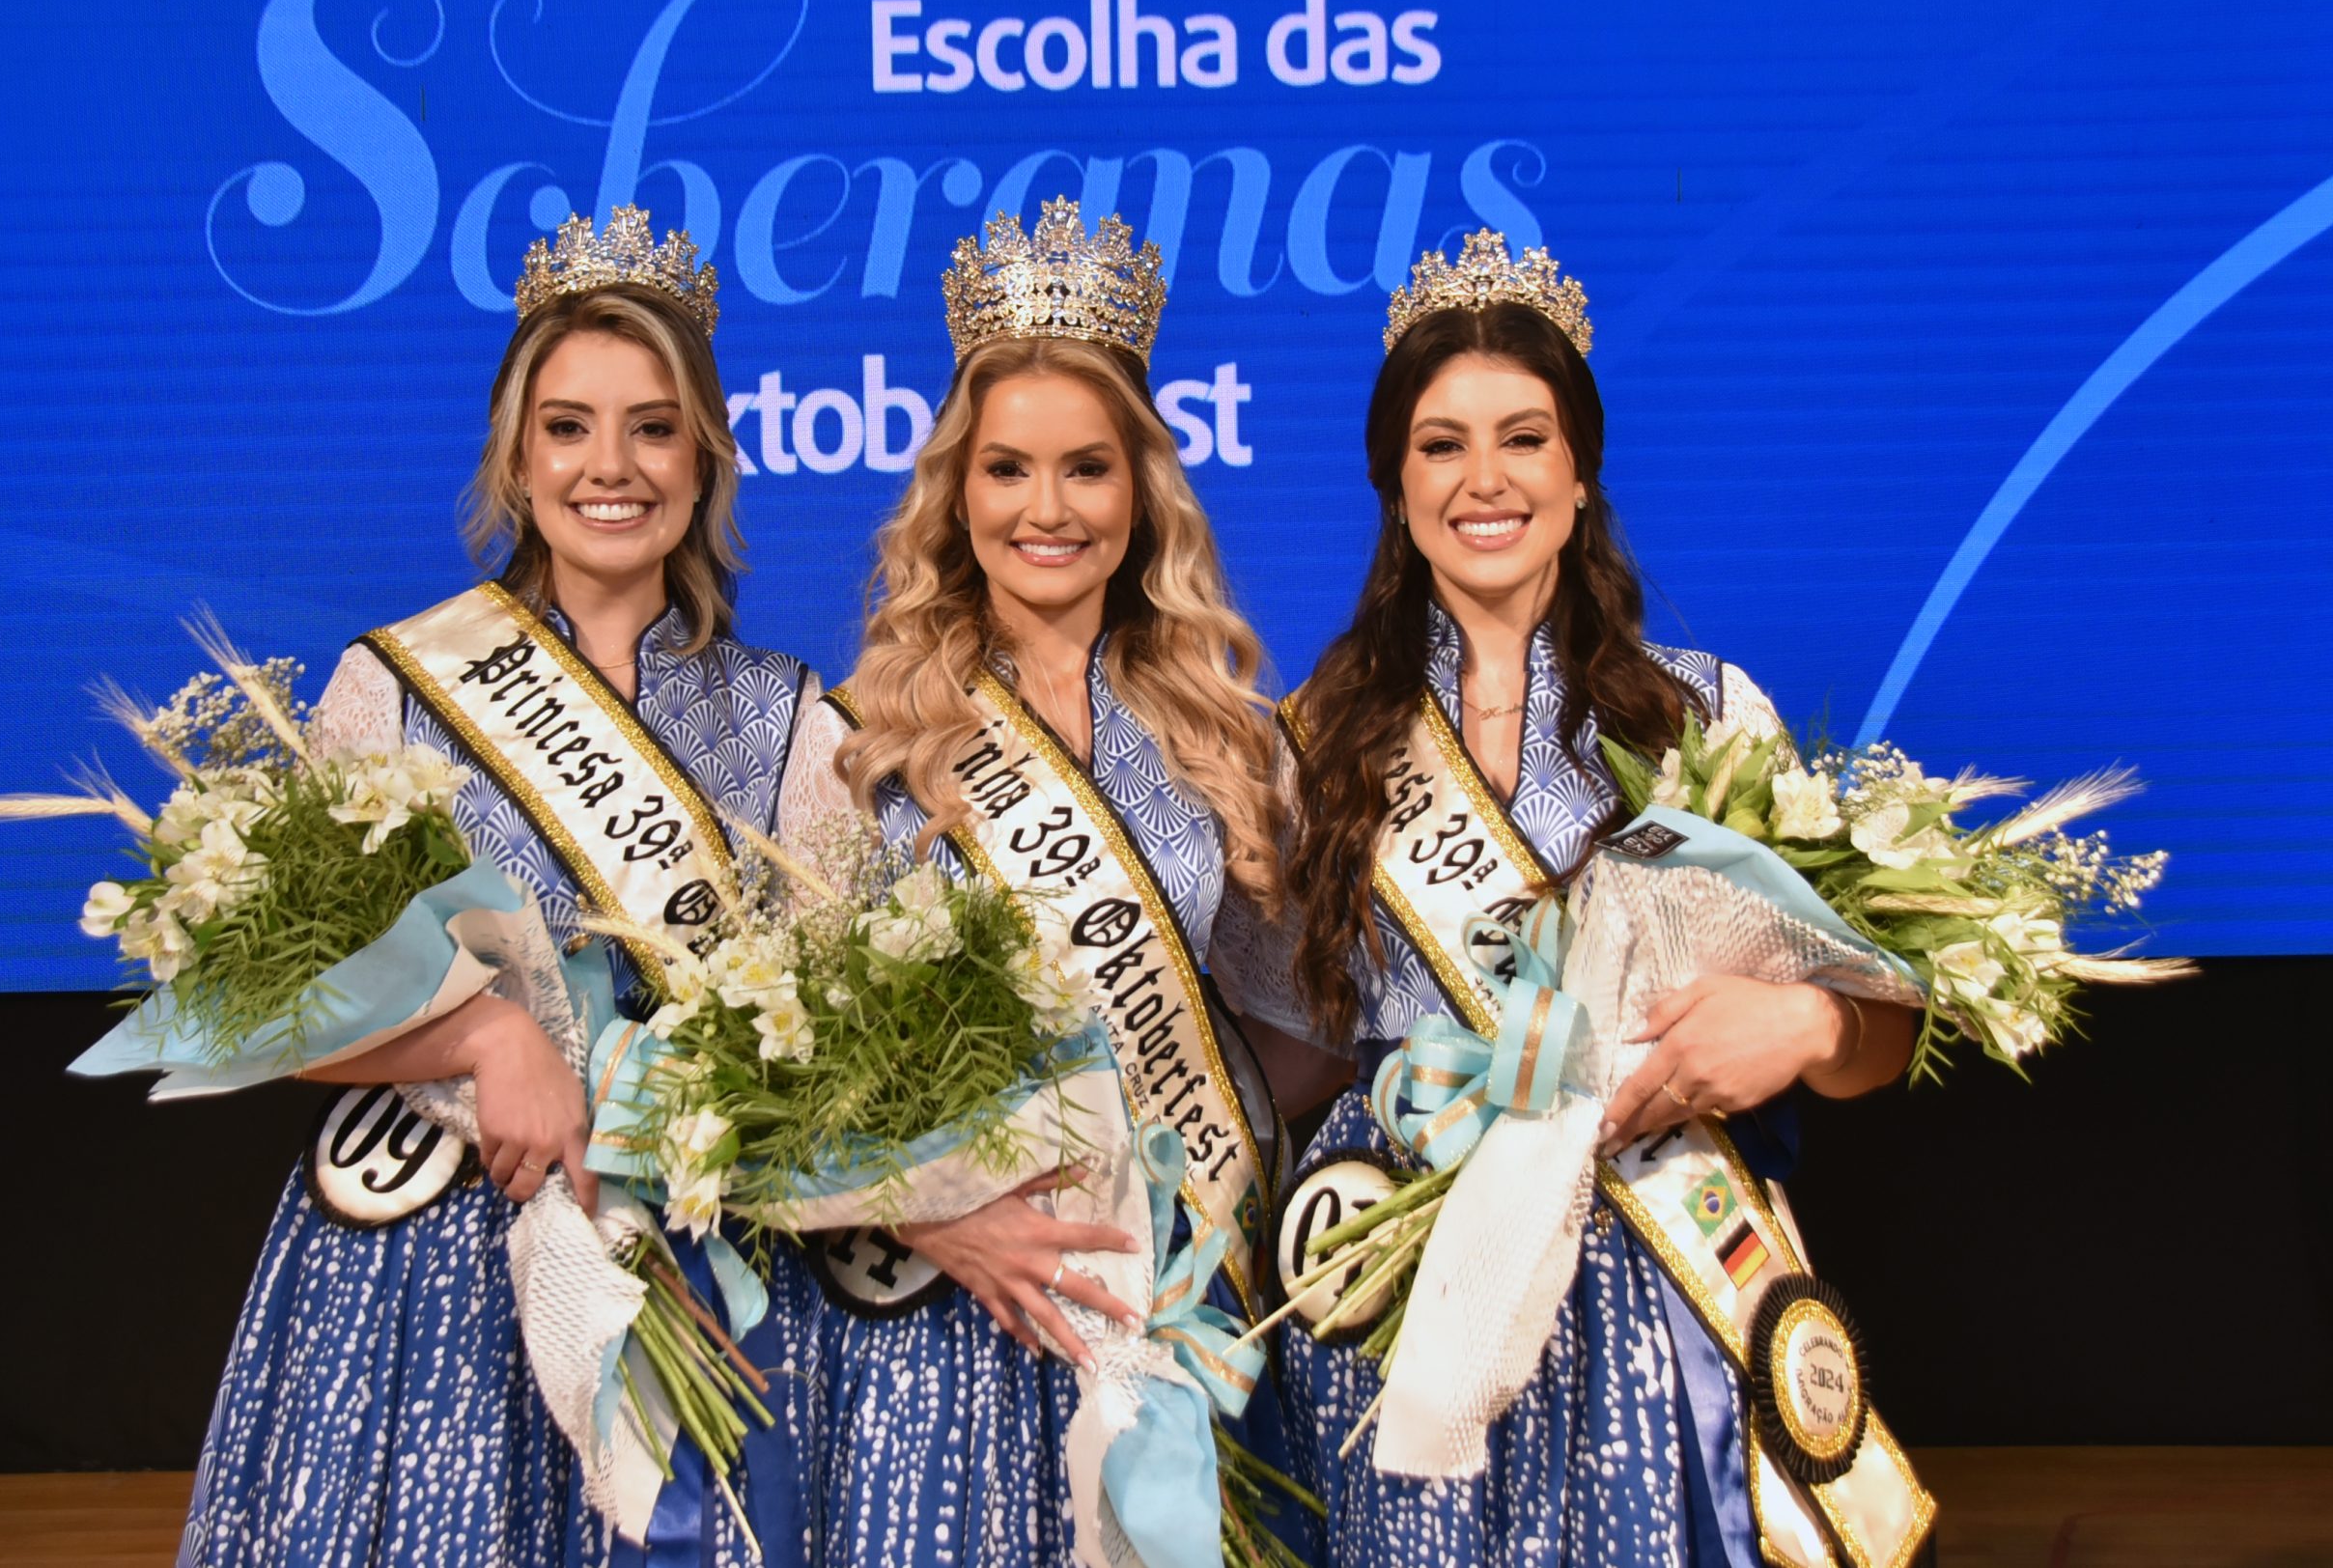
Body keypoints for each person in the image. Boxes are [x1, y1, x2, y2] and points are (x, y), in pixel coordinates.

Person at [1224, 233, 1932, 1568]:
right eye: (1441, 445)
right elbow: (1300, 1052)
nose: (1483, 480)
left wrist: (1803, 1032)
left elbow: (1876, 1031)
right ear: (1393, 479)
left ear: (1579, 467)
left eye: (1523, 437)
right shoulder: (1311, 744)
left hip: (1651, 1279)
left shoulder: (1707, 718)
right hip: (1405, 1280)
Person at [179, 207, 817, 1568]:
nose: (613, 466)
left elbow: (817, 1043)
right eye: (570, 426)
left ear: (703, 457)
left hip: (677, 1275)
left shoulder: (790, 723)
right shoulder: (394, 689)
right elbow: (253, 1005)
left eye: (653, 426)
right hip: (426, 1281)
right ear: (516, 457)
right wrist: (483, 1035)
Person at [770, 199, 1317, 1567]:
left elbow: (1283, 1035)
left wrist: (1194, 1178)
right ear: (958, 491)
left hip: (1170, 1296)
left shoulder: (1227, 737)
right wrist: (944, 1208)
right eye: (1008, 470)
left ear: (1144, 492)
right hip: (957, 1312)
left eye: (1087, 469)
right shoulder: (858, 744)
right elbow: (770, 1070)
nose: (1047, 510)